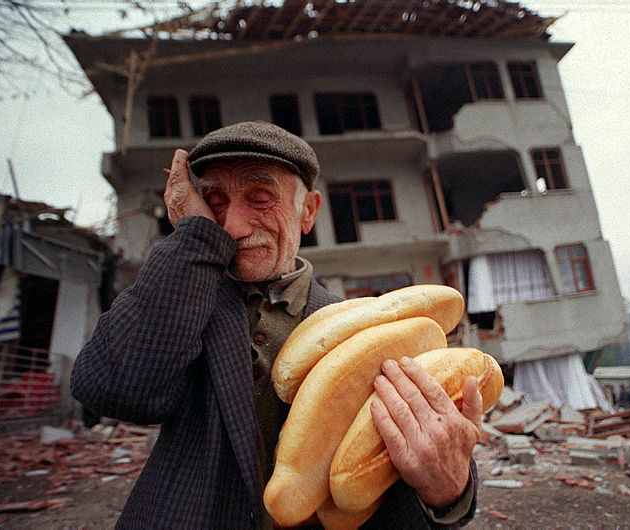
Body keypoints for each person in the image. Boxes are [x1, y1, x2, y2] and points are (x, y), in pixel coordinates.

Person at [70, 122, 481, 529]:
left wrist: (448, 492)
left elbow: (391, 467)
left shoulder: (366, 332)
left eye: (260, 198)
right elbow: (112, 390)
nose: (233, 227)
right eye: (214, 202)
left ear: (309, 211)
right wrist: (195, 239)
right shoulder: (181, 302)